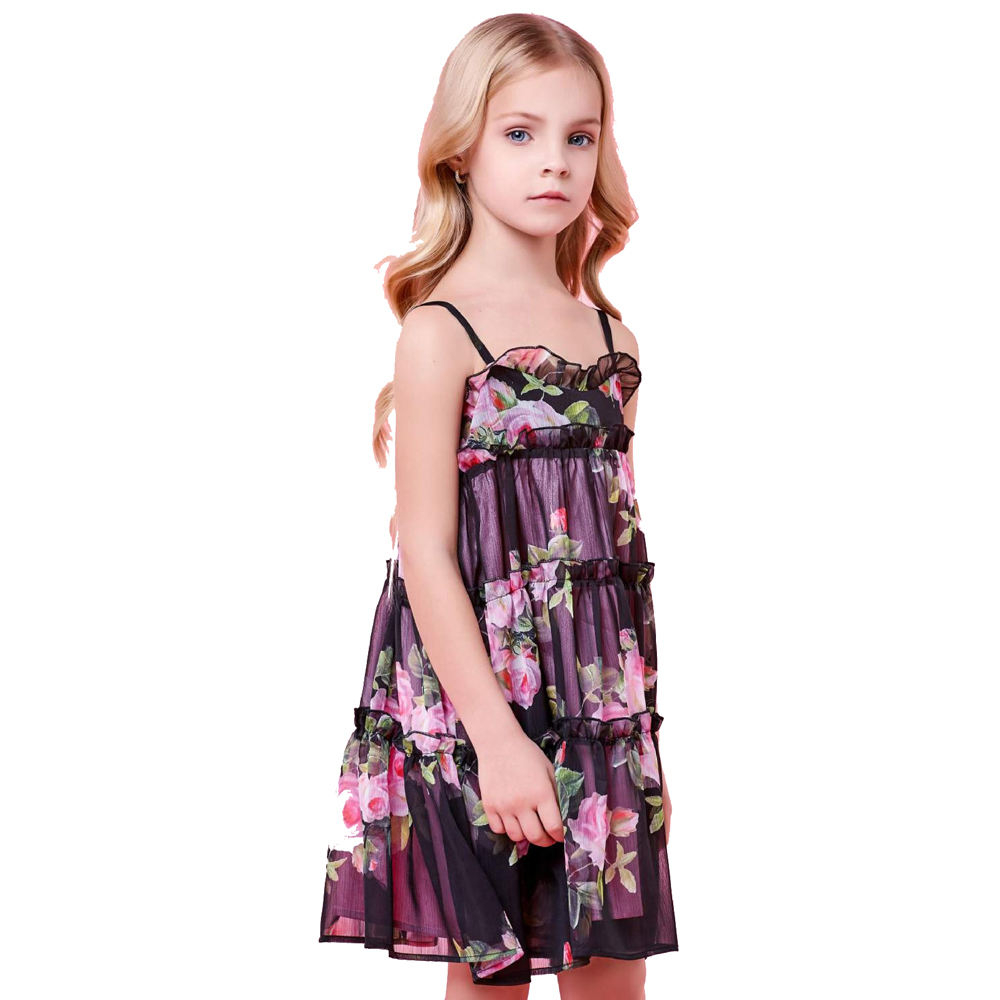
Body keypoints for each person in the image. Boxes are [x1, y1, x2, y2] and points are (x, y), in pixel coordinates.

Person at [319, 14, 677, 998]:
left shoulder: (613, 339)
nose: (554, 159)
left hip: (598, 710)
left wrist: (636, 739)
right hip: (483, 703)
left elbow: (609, 561)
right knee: (494, 979)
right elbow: (426, 551)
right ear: (461, 150)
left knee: (614, 974)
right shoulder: (441, 332)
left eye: (579, 134)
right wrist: (500, 741)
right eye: (520, 132)